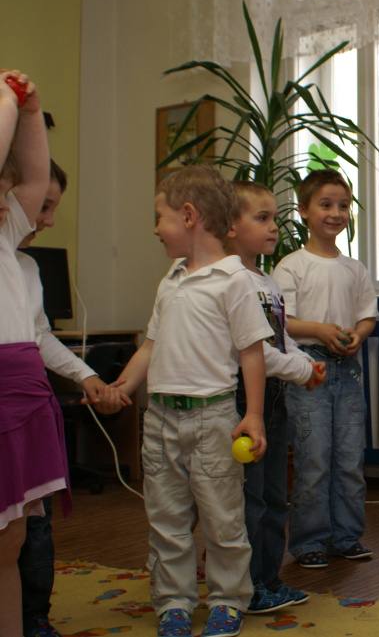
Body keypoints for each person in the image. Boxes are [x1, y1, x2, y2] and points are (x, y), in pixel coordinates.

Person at [101, 165, 271, 637]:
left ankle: (227, 600)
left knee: (222, 519)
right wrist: (120, 387)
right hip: (160, 420)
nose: (156, 228)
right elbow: (150, 347)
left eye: (161, 217)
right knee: (166, 519)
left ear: (190, 216)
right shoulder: (171, 280)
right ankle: (173, 601)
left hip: (213, 419)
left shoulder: (234, 280)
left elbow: (252, 352)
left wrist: (254, 415)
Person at [15, 160, 131, 637]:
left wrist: (87, 377)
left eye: (54, 209)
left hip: (28, 412)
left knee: (35, 520)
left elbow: (40, 335)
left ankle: (34, 617)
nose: (48, 220)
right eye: (42, 207)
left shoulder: (27, 268)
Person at [226, 182, 326, 613]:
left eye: (274, 218)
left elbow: (280, 341)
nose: (273, 227)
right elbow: (250, 351)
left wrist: (305, 363)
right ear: (231, 226)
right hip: (243, 397)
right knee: (249, 498)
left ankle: (268, 578)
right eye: (262, 218)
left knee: (272, 494)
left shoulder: (266, 282)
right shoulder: (230, 281)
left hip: (275, 398)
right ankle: (246, 585)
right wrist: (300, 370)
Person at [272, 169, 378, 569]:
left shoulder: (355, 268)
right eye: (326, 204)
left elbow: (367, 315)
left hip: (348, 370)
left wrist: (358, 335)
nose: (336, 213)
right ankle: (309, 541)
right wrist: (320, 330)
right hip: (308, 370)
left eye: (343, 205)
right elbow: (282, 321)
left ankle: (346, 536)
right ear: (303, 210)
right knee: (313, 458)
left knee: (349, 458)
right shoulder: (291, 266)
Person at [0, 70, 69, 637]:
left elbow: (36, 175)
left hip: (20, 390)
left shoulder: (8, 237)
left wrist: (29, 108)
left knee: (13, 537)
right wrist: (7, 99)